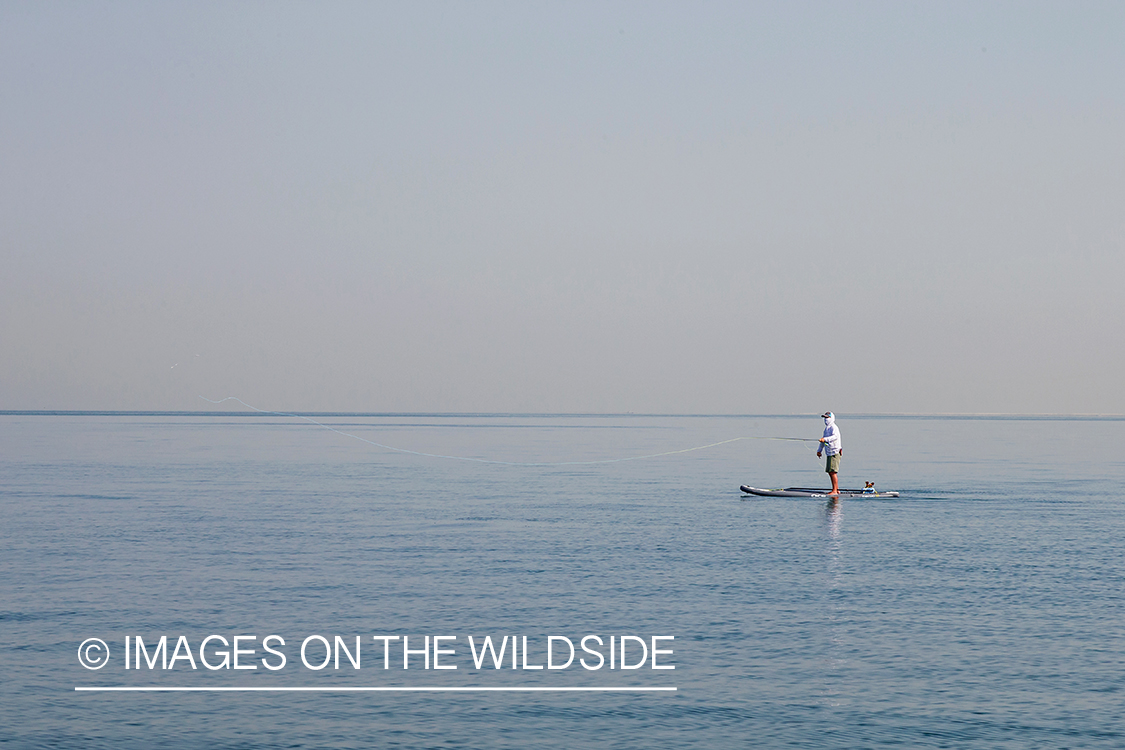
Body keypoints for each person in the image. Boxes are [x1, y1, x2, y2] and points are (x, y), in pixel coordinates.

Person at [816, 411, 842, 496]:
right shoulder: (826, 429)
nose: (825, 419)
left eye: (827, 418)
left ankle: (835, 490)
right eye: (825, 418)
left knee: (833, 471)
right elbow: (823, 441)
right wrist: (819, 450)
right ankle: (836, 489)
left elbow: (835, 437)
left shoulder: (834, 427)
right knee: (830, 471)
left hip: (835, 452)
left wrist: (825, 439)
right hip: (829, 452)